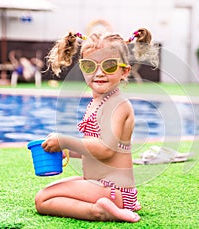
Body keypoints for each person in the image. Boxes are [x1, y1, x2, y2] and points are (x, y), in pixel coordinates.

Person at [34, 28, 159, 223]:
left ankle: (99, 211)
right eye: (89, 66)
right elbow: (94, 148)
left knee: (43, 199)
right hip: (100, 185)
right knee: (50, 192)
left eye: (109, 66)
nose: (99, 73)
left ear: (124, 71)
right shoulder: (99, 101)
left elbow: (106, 150)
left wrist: (65, 141)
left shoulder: (117, 105)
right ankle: (108, 205)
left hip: (112, 189)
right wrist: (66, 151)